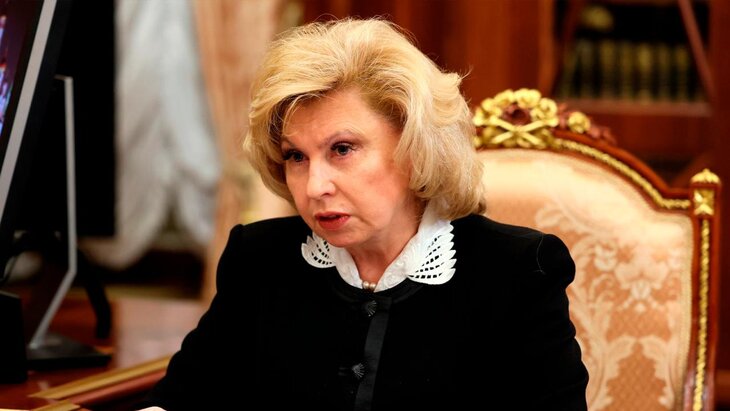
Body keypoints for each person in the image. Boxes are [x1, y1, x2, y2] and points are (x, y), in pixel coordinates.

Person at [136, 17, 589, 411]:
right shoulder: (258, 259)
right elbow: (182, 398)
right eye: (296, 156)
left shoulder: (518, 271)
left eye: (342, 149)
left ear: (414, 147)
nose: (314, 186)